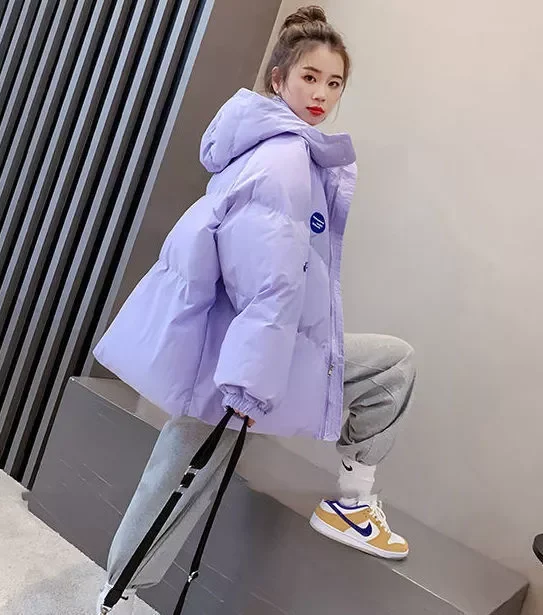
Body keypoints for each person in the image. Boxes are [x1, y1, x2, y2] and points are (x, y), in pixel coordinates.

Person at [93, 5, 416, 613]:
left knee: (181, 468)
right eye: (309, 78)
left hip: (252, 348)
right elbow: (269, 285)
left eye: (334, 83)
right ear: (278, 79)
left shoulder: (278, 149)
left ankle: (118, 590)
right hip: (245, 358)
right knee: (184, 473)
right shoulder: (286, 159)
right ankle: (118, 594)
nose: (321, 94)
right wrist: (249, 383)